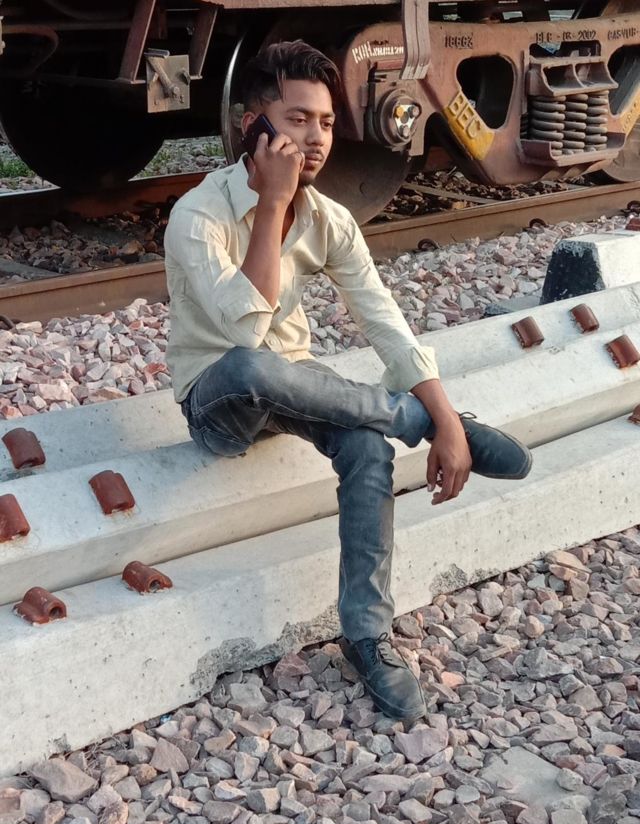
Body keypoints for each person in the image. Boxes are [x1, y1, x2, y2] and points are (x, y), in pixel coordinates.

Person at [164, 40, 532, 721]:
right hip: (218, 398)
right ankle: (411, 421)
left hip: (297, 382)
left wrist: (446, 415)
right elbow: (246, 331)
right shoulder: (198, 216)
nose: (315, 138)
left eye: (327, 123)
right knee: (252, 365)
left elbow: (384, 320)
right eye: (298, 119)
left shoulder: (329, 219)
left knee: (365, 444)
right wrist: (273, 203)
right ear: (253, 125)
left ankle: (366, 633)